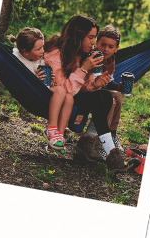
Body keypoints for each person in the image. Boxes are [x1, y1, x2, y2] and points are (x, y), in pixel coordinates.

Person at [44, 15, 126, 164]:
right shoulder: (56, 54)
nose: (94, 43)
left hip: (72, 94)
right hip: (57, 97)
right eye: (90, 37)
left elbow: (82, 87)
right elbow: (65, 89)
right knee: (98, 97)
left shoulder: (80, 53)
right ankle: (110, 150)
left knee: (105, 96)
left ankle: (88, 143)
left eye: (94, 37)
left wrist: (96, 84)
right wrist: (83, 68)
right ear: (78, 36)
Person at [8, 27, 73, 151]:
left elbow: (45, 81)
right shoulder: (17, 60)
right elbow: (21, 82)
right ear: (25, 52)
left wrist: (50, 78)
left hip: (42, 91)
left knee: (69, 98)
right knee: (60, 91)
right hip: (32, 94)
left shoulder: (37, 58)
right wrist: (34, 79)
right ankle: (51, 128)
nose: (42, 51)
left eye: (43, 47)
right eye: (38, 49)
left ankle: (59, 135)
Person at [78, 24, 124, 157]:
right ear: (97, 43)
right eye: (103, 44)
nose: (106, 49)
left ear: (116, 49)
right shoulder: (92, 56)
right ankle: (93, 138)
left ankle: (112, 133)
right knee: (112, 100)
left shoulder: (111, 60)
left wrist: (118, 86)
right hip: (87, 90)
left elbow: (108, 81)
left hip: (99, 88)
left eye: (111, 47)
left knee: (118, 95)